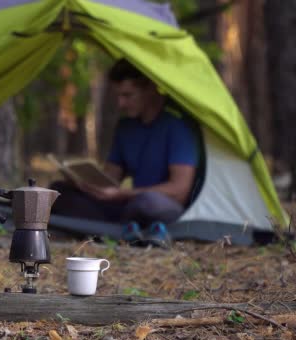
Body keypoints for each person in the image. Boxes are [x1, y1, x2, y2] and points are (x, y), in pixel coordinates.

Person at [50, 58, 200, 245]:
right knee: (58, 191)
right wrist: (84, 183)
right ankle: (125, 229)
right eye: (118, 96)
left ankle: (118, 229)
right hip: (128, 206)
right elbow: (110, 179)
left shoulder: (178, 126)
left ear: (151, 89)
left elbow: (180, 189)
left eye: (128, 95)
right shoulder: (125, 128)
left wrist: (124, 194)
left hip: (160, 206)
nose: (121, 104)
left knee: (146, 203)